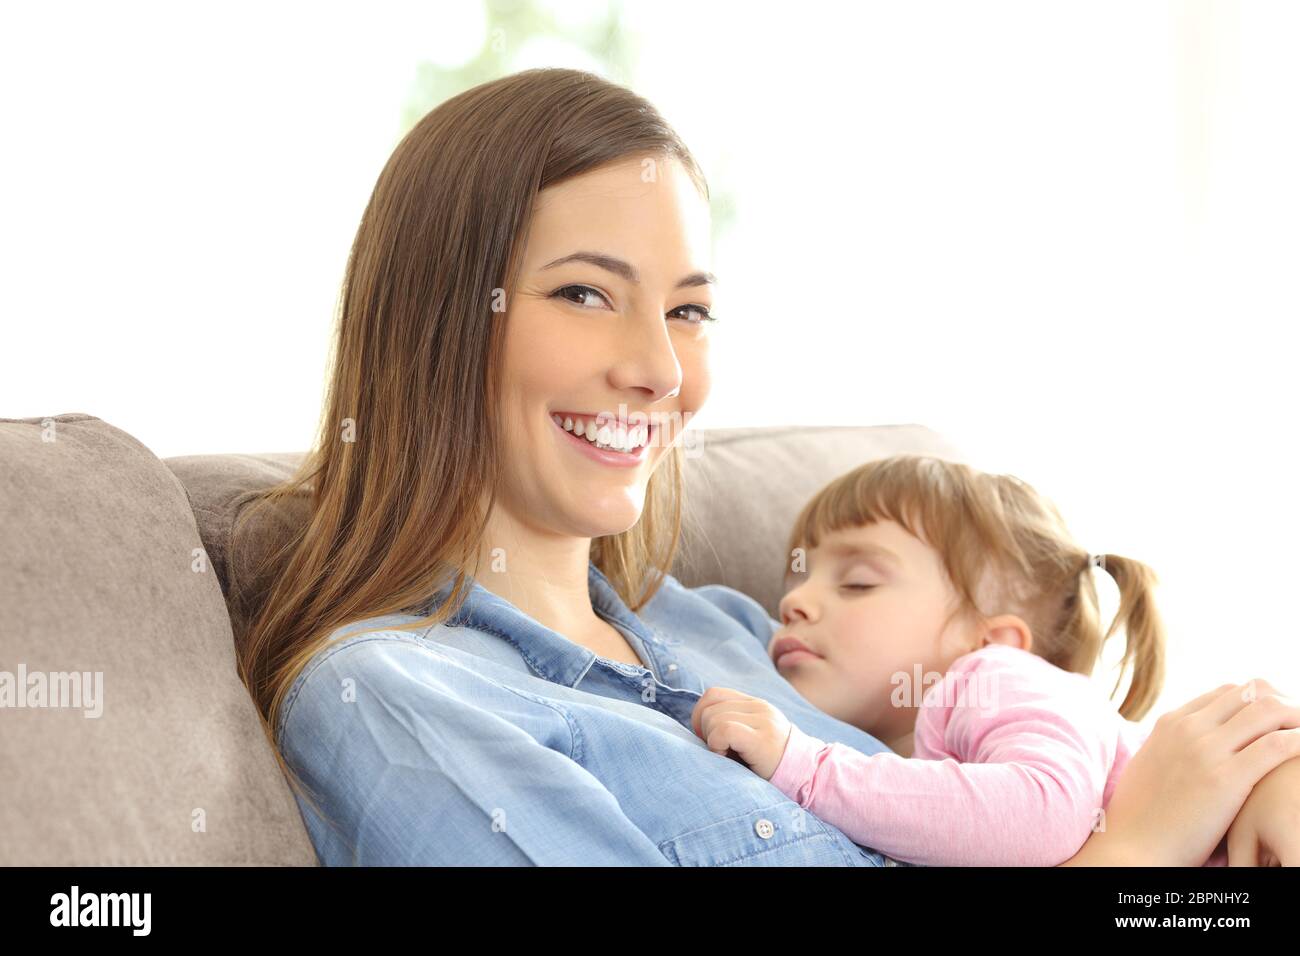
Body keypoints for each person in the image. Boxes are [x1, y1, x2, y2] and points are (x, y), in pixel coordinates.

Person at [236, 67, 1300, 865]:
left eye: (688, 310)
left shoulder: (739, 632)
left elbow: (1032, 761)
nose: (660, 369)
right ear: (437, 324)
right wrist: (1136, 852)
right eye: (586, 293)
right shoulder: (389, 699)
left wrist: (1252, 788)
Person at [692, 455, 1298, 865]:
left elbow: (1046, 809)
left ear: (991, 640)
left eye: (857, 582)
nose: (793, 602)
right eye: (796, 579)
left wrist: (811, 769)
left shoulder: (995, 677)